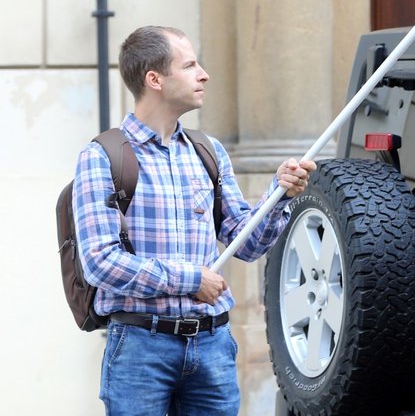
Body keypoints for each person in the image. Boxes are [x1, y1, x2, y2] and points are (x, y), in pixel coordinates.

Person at [72, 25, 316, 416]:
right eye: (189, 65)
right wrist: (192, 280)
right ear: (155, 79)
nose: (204, 74)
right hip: (139, 348)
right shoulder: (103, 156)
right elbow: (100, 262)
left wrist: (278, 195)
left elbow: (247, 243)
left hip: (213, 345)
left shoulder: (208, 150)